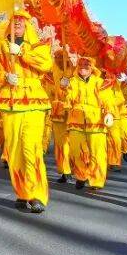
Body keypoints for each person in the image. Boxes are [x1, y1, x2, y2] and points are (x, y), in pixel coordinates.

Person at [0, 9, 53, 213]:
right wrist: (5, 77)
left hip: (34, 103)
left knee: (31, 148)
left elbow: (46, 65)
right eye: (14, 20)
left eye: (21, 20)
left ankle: (37, 195)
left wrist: (22, 52)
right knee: (14, 151)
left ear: (27, 25)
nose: (17, 23)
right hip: (11, 103)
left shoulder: (39, 46)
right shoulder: (0, 46)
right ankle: (23, 192)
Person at [66, 56, 112, 191]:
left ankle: (96, 180)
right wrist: (64, 88)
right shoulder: (72, 82)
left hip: (96, 121)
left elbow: (107, 99)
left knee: (97, 152)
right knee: (76, 151)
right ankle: (81, 176)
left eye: (87, 65)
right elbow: (68, 99)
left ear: (92, 68)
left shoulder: (100, 82)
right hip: (76, 120)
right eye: (80, 64)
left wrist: (109, 112)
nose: (83, 67)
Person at [47, 48, 72, 183]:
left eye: (61, 57)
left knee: (72, 142)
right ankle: (64, 170)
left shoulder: (74, 71)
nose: (58, 60)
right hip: (57, 113)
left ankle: (78, 169)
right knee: (60, 143)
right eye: (56, 57)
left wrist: (68, 84)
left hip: (73, 113)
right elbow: (48, 88)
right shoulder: (52, 70)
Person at [104, 71, 127, 173]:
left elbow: (122, 99)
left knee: (117, 139)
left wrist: (108, 104)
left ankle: (115, 161)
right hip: (96, 116)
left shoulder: (117, 84)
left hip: (115, 116)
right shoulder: (95, 81)